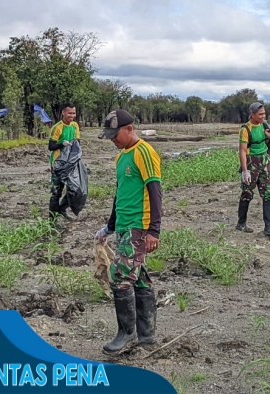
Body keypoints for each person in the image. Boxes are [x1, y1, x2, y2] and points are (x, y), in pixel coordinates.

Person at [95, 109, 162, 354]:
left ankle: (127, 333)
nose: (113, 139)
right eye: (109, 135)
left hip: (138, 226)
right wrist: (109, 227)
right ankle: (147, 336)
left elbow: (155, 192)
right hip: (124, 225)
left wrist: (154, 230)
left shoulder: (144, 152)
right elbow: (119, 194)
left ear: (129, 129)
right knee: (140, 279)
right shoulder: (121, 156)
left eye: (116, 134)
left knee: (120, 277)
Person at [237, 102, 270, 236]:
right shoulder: (246, 129)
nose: (263, 116)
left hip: (265, 161)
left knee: (268, 194)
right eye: (260, 114)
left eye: (264, 114)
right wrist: (245, 171)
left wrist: (269, 137)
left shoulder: (264, 125)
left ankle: (268, 227)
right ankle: (241, 223)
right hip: (251, 162)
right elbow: (242, 151)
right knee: (247, 192)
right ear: (252, 114)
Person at [47, 103, 80, 221]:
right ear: (63, 113)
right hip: (58, 164)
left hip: (70, 163)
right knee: (56, 192)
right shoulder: (57, 127)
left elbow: (77, 143)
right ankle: (52, 220)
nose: (72, 115)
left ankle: (62, 208)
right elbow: (50, 146)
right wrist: (62, 143)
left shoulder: (75, 126)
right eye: (69, 113)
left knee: (75, 188)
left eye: (74, 113)